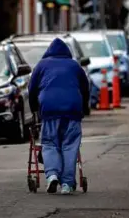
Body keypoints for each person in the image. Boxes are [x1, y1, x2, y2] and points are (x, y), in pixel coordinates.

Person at [28, 38, 90, 195]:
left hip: (49, 110)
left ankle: (52, 175)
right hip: (72, 109)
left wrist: (35, 109)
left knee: (49, 143)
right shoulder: (74, 66)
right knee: (69, 145)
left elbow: (32, 89)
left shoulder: (41, 65)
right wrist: (84, 107)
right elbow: (85, 88)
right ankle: (67, 184)